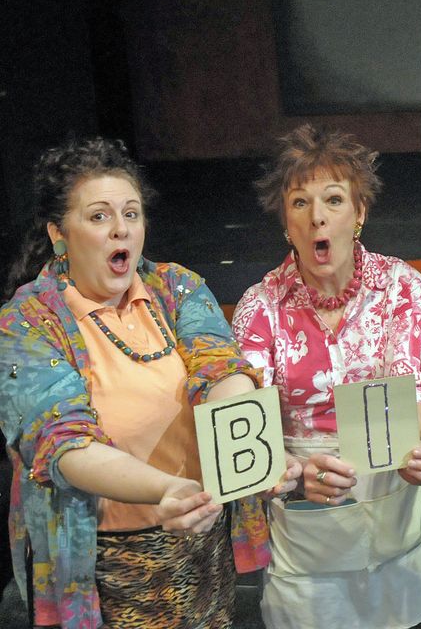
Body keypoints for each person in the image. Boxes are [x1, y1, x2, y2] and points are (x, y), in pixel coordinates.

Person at [0, 137, 278, 628]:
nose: (120, 229)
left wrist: (256, 457)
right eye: (100, 216)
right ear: (59, 234)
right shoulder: (25, 321)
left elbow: (221, 370)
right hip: (102, 563)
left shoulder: (177, 287)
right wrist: (165, 489)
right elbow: (63, 442)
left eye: (131, 213)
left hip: (198, 539)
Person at [232, 124, 421, 629]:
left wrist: (417, 446)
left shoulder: (400, 287)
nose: (317, 217)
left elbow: (408, 387)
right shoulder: (258, 307)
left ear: (359, 213)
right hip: (307, 538)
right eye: (300, 203)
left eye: (333, 199)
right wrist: (290, 474)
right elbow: (249, 440)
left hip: (391, 501)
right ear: (286, 221)